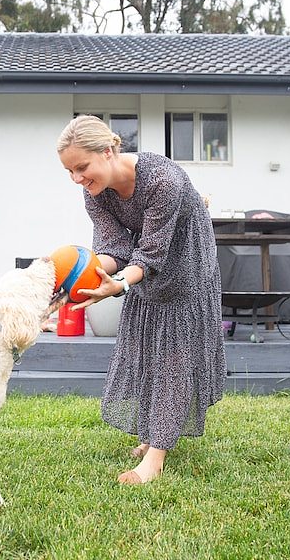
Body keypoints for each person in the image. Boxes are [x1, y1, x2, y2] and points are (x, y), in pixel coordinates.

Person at [56, 115, 227, 485]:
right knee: (148, 355)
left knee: (175, 359)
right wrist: (78, 277)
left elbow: (150, 253)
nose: (77, 179)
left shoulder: (162, 180)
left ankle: (156, 458)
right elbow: (114, 249)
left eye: (81, 167)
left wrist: (118, 285)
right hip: (143, 274)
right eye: (69, 171)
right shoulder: (95, 193)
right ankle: (153, 435)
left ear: (108, 150)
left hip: (188, 268)